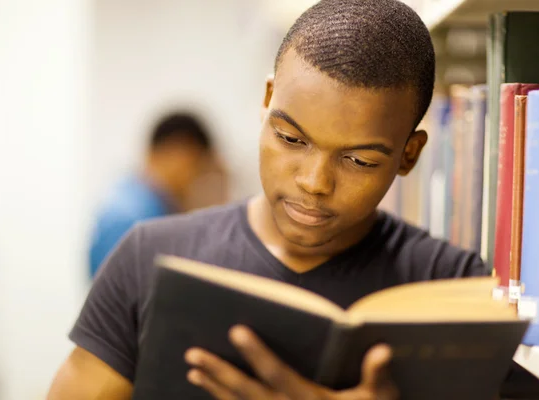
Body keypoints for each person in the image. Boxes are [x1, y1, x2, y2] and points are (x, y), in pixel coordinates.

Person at [47, 0, 487, 398]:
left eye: (358, 161)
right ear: (266, 100)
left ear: (409, 155)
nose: (315, 182)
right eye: (291, 138)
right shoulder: (148, 257)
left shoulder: (457, 289)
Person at [88, 112, 227, 278]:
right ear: (181, 153)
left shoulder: (147, 205)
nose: (196, 179)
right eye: (199, 166)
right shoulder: (133, 218)